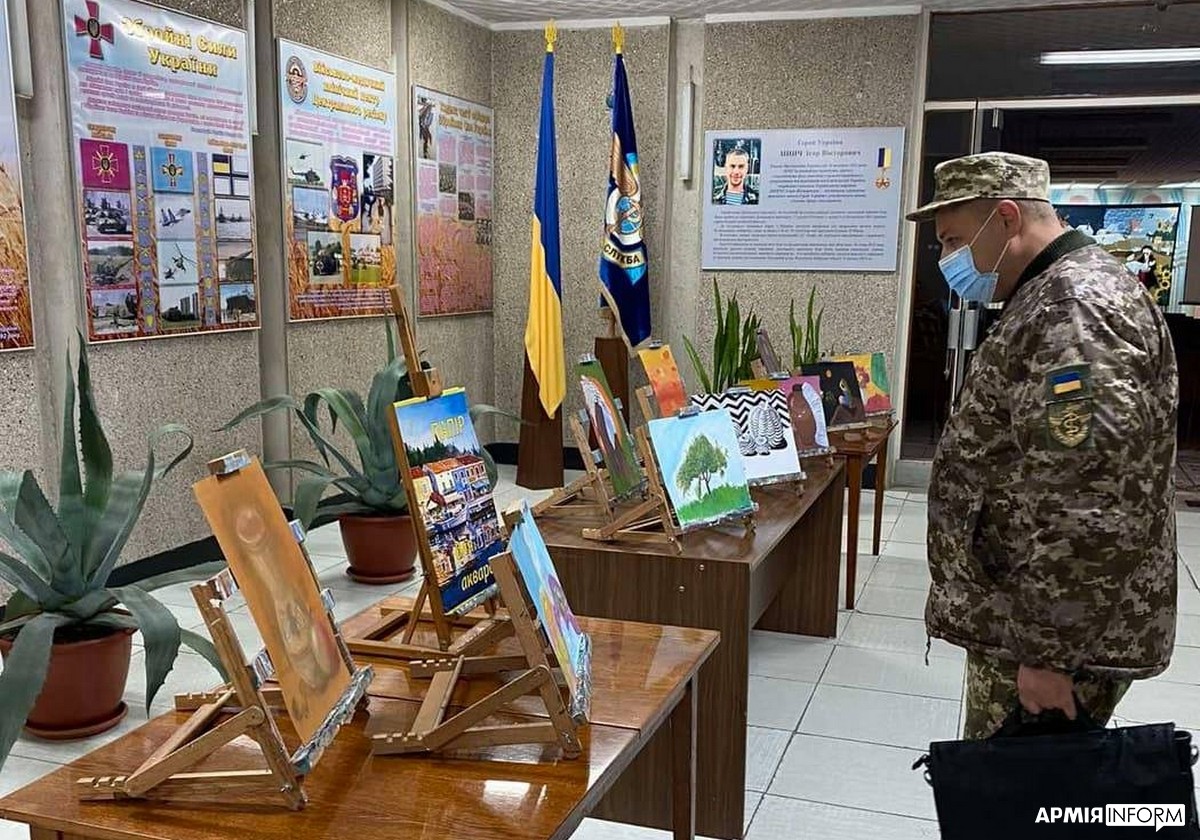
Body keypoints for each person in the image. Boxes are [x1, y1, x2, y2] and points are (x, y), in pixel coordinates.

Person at [906, 152, 1178, 739]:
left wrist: (1048, 653)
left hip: (1054, 637)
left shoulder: (1073, 309)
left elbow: (1091, 496)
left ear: (1007, 219)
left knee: (1016, 786)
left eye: (953, 240)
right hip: (1036, 618)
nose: (947, 259)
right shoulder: (1055, 293)